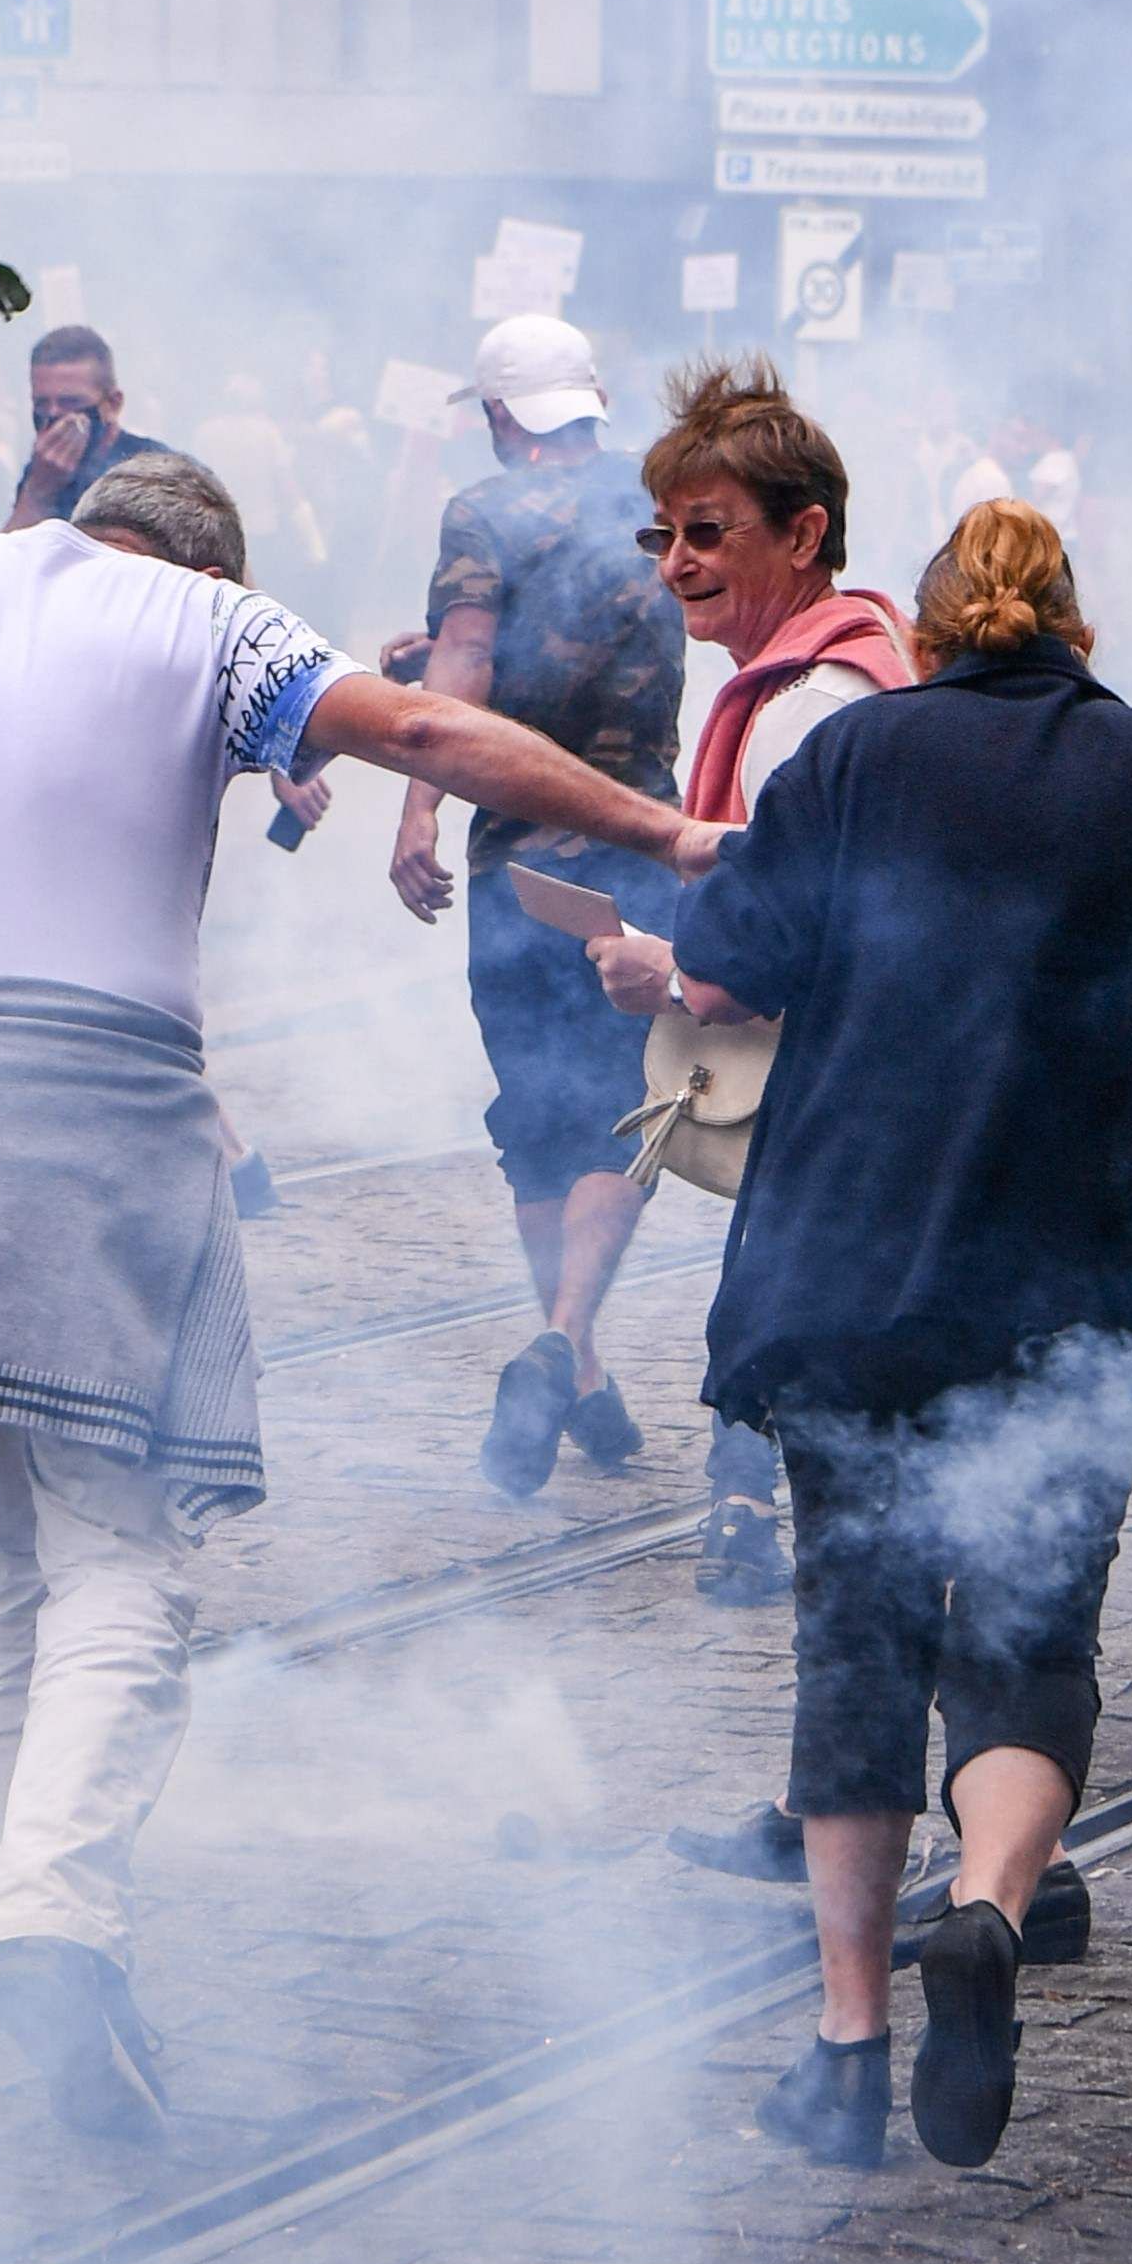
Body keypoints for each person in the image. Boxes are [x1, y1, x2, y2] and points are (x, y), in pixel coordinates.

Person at [0, 449, 720, 2139]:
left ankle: (20, 1910)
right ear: (201, 557)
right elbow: (422, 734)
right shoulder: (208, 619)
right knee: (122, 1549)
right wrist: (659, 823)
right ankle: (47, 1927)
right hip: (86, 1102)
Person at [665, 501, 1132, 2169]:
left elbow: (734, 961)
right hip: (1070, 1282)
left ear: (925, 634)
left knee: (853, 1640)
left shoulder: (849, 763)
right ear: (1072, 627)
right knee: (1029, 1629)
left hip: (850, 1273)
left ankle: (846, 2052)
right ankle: (987, 1903)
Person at [542, 358, 915, 1576]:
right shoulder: (818, 673)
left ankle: (779, 1534)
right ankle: (751, 1508)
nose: (674, 563)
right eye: (666, 534)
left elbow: (807, 925)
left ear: (804, 534)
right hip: (844, 1081)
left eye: (707, 533)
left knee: (788, 1320)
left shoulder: (814, 699)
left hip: (833, 1085)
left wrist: (671, 971)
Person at [391, 315, 692, 1495]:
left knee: (533, 1112)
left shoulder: (483, 513)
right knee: (623, 1104)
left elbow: (469, 666)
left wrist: (415, 809)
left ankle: (564, 1358)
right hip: (634, 848)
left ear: (502, 415)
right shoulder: (662, 505)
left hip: (515, 858)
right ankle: (571, 1350)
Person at [0, 323, 175, 532]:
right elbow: (12, 554)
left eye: (70, 402)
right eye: (42, 403)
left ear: (112, 404)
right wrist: (38, 490)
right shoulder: (44, 471)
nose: (54, 414)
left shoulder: (155, 469)